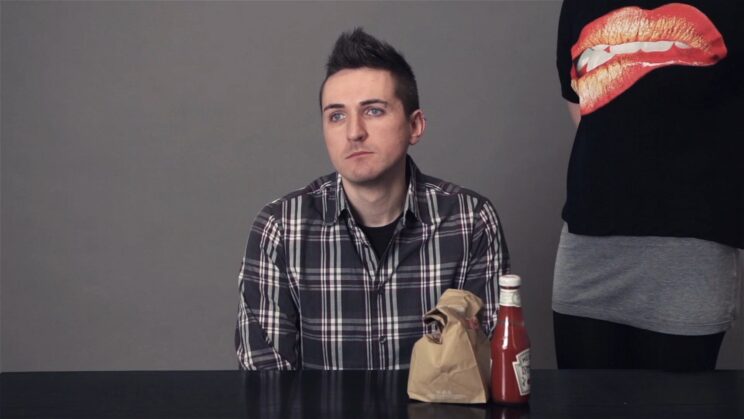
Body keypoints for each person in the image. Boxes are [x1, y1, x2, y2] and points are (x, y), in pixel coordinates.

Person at [236, 28, 510, 370]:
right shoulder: (279, 228)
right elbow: (267, 384)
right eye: (336, 115)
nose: (354, 132)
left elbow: (487, 367)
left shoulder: (470, 221)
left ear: (415, 126)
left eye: (374, 111)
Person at [553, 0, 743, 370]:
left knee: (675, 405)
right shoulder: (578, 4)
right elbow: (583, 106)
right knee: (586, 403)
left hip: (691, 248)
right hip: (589, 246)